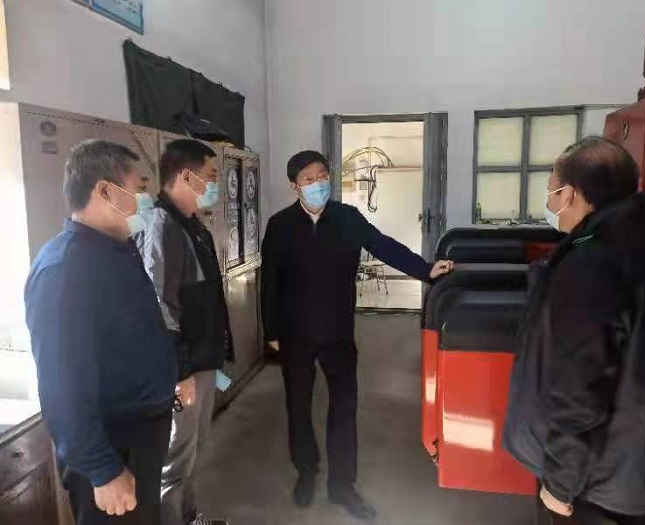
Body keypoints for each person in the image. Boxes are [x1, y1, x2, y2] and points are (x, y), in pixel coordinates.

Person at [503, 137, 645, 524]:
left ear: (571, 194)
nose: (550, 202)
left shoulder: (590, 263)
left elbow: (580, 385)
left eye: (552, 189)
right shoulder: (644, 244)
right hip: (636, 467)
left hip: (595, 481)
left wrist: (560, 483)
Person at [261, 150, 454, 521]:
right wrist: (271, 332)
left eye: (322, 176)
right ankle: (306, 472)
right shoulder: (280, 225)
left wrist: (425, 269)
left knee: (344, 408)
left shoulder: (347, 218)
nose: (318, 184)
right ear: (294, 186)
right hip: (295, 334)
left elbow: (383, 245)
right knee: (298, 406)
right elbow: (269, 281)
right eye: (308, 179)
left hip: (337, 332)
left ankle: (342, 486)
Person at [25, 140, 177, 524]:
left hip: (140, 437)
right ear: (106, 191)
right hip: (113, 448)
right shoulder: (65, 268)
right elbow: (61, 385)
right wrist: (102, 470)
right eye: (139, 188)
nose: (146, 200)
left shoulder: (115, 250)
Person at [136, 139, 233, 525]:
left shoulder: (193, 226)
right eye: (211, 175)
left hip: (203, 360)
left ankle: (189, 518)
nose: (215, 183)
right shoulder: (163, 225)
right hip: (185, 368)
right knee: (175, 460)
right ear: (186, 176)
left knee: (192, 452)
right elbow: (161, 306)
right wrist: (180, 372)